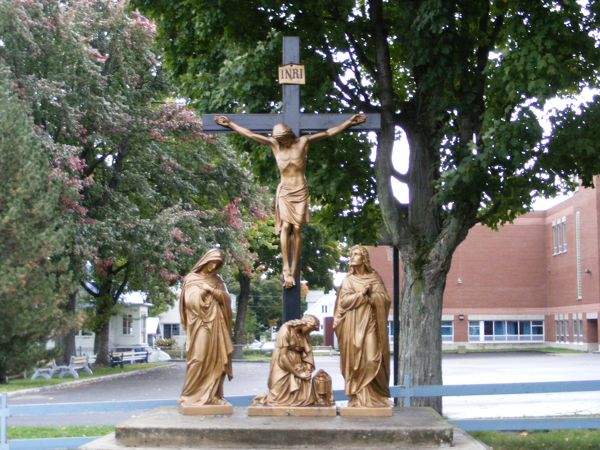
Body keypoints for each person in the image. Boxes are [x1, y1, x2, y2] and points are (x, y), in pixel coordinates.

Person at [215, 114, 366, 288]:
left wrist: (348, 122)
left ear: (289, 135)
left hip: (300, 190)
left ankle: (294, 268)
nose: (282, 142)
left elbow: (328, 133)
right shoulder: (275, 146)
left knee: (297, 228)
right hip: (285, 191)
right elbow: (250, 135)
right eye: (279, 140)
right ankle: (286, 268)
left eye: (284, 139)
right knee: (286, 227)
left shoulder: (302, 142)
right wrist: (231, 124)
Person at [333, 245, 392, 407]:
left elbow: (385, 299)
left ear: (364, 258)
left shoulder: (374, 278)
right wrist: (361, 294)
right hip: (352, 326)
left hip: (370, 323)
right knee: (355, 364)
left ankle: (376, 396)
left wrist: (373, 297)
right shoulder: (348, 281)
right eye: (351, 254)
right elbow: (343, 302)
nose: (352, 257)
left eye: (356, 254)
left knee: (372, 359)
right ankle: (358, 398)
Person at [178, 248, 233, 407]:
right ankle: (190, 395)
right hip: (200, 323)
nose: (213, 267)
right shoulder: (192, 278)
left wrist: (212, 291)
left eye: (218, 264)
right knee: (199, 357)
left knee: (217, 358)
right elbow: (190, 301)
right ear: (205, 261)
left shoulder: (218, 280)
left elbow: (227, 300)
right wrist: (201, 294)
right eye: (212, 263)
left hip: (217, 323)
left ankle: (213, 395)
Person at [252, 315, 320, 407]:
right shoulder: (285, 329)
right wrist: (297, 373)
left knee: (302, 391)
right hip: (282, 362)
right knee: (277, 394)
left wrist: (308, 369)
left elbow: (309, 352)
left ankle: (298, 401)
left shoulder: (304, 334)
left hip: (298, 361)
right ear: (306, 324)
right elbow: (283, 356)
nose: (310, 332)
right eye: (311, 329)